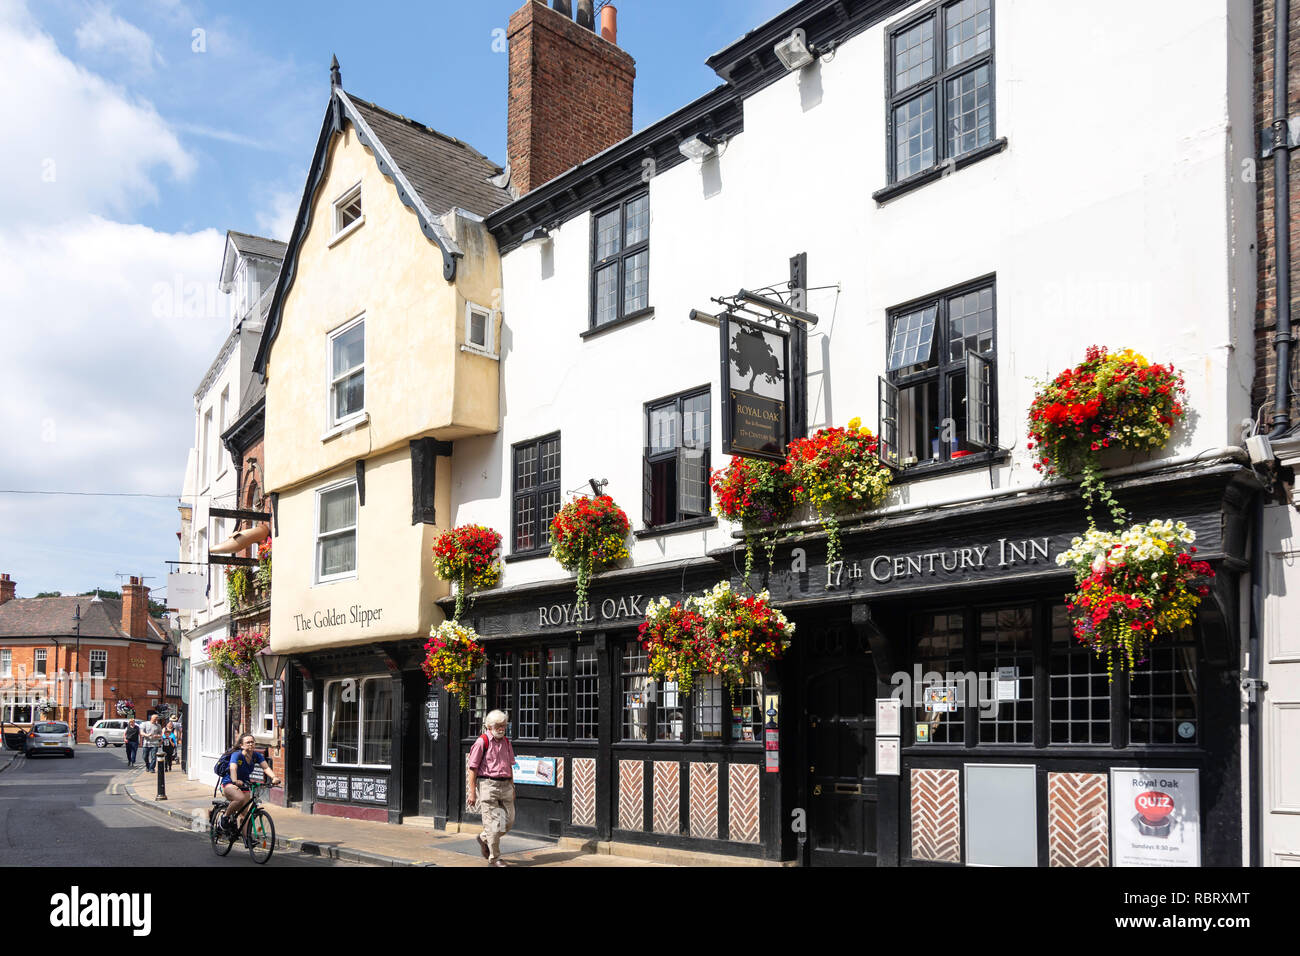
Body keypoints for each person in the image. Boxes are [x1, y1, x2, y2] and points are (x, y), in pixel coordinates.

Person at [466, 710, 516, 867]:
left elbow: (510, 765)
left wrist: (513, 786)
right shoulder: (482, 742)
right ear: (489, 726)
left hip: (506, 785)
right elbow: (472, 768)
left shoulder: (507, 742)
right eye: (498, 726)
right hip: (489, 785)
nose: (502, 728)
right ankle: (495, 859)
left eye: (504, 725)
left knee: (508, 822)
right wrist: (472, 792)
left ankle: (483, 838)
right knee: (493, 825)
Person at [219, 733, 280, 835]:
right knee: (240, 799)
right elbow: (233, 768)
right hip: (229, 783)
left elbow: (265, 767)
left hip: (244, 785)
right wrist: (235, 781)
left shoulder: (257, 756)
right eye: (248, 742)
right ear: (242, 745)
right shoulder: (237, 755)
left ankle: (247, 839)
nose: (251, 744)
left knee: (244, 814)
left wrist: (274, 777)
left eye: (252, 742)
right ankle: (224, 817)